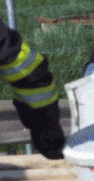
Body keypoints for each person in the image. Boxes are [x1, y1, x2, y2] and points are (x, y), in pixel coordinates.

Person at [0, 19, 65, 159]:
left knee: (42, 107)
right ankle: (51, 145)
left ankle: (51, 145)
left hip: (22, 65)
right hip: (23, 65)